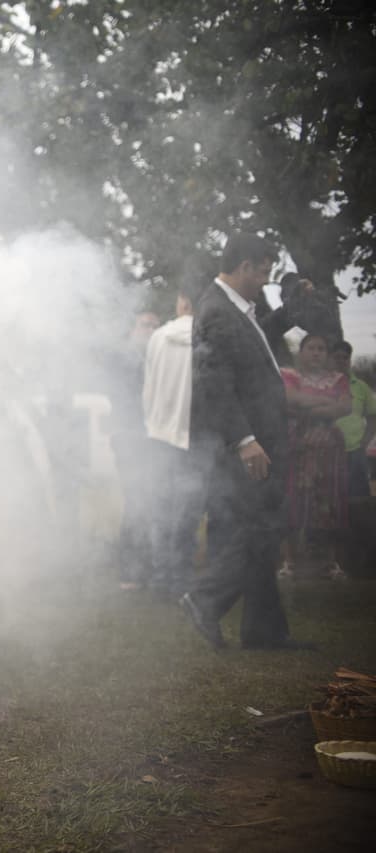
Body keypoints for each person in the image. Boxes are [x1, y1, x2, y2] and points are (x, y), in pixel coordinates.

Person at [180, 232, 312, 651]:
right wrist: (245, 439)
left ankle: (264, 632)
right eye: (262, 271)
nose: (264, 279)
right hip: (248, 445)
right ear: (243, 267)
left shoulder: (236, 309)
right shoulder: (217, 311)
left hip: (260, 439)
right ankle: (205, 598)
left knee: (264, 532)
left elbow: (254, 347)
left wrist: (292, 310)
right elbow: (213, 384)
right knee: (261, 530)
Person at [141, 286, 202, 598]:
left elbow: (148, 389)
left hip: (159, 434)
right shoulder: (207, 337)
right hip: (193, 437)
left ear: (182, 301)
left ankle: (161, 578)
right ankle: (180, 580)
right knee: (187, 513)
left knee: (162, 510)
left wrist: (152, 423)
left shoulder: (158, 337)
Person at [280, 333, 351, 579]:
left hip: (329, 450)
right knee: (293, 501)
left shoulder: (339, 379)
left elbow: (345, 406)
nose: (317, 353)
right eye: (311, 348)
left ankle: (329, 563)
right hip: (297, 446)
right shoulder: (289, 375)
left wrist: (307, 405)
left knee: (328, 504)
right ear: (301, 352)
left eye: (321, 348)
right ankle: (290, 562)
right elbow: (289, 401)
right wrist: (325, 403)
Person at [106, 308, 162, 591]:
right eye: (144, 325)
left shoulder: (158, 359)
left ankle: (149, 565)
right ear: (133, 330)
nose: (150, 331)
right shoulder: (124, 358)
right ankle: (130, 569)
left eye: (155, 326)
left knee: (150, 501)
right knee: (136, 500)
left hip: (153, 437)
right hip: (129, 436)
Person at [330, 340, 375, 499]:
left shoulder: (361, 386)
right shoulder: (321, 385)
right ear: (330, 359)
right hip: (327, 451)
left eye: (344, 358)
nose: (340, 361)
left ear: (349, 360)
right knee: (330, 496)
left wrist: (364, 442)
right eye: (336, 357)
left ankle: (361, 524)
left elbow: (372, 417)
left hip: (355, 452)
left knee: (358, 497)